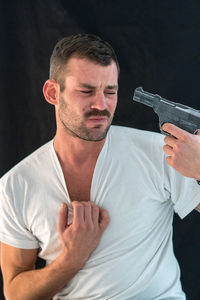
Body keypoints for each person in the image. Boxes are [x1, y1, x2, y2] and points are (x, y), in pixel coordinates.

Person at [0, 33, 200, 300]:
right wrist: (71, 259)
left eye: (110, 91)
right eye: (86, 91)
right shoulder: (16, 185)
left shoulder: (161, 153)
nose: (101, 105)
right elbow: (15, 293)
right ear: (52, 93)